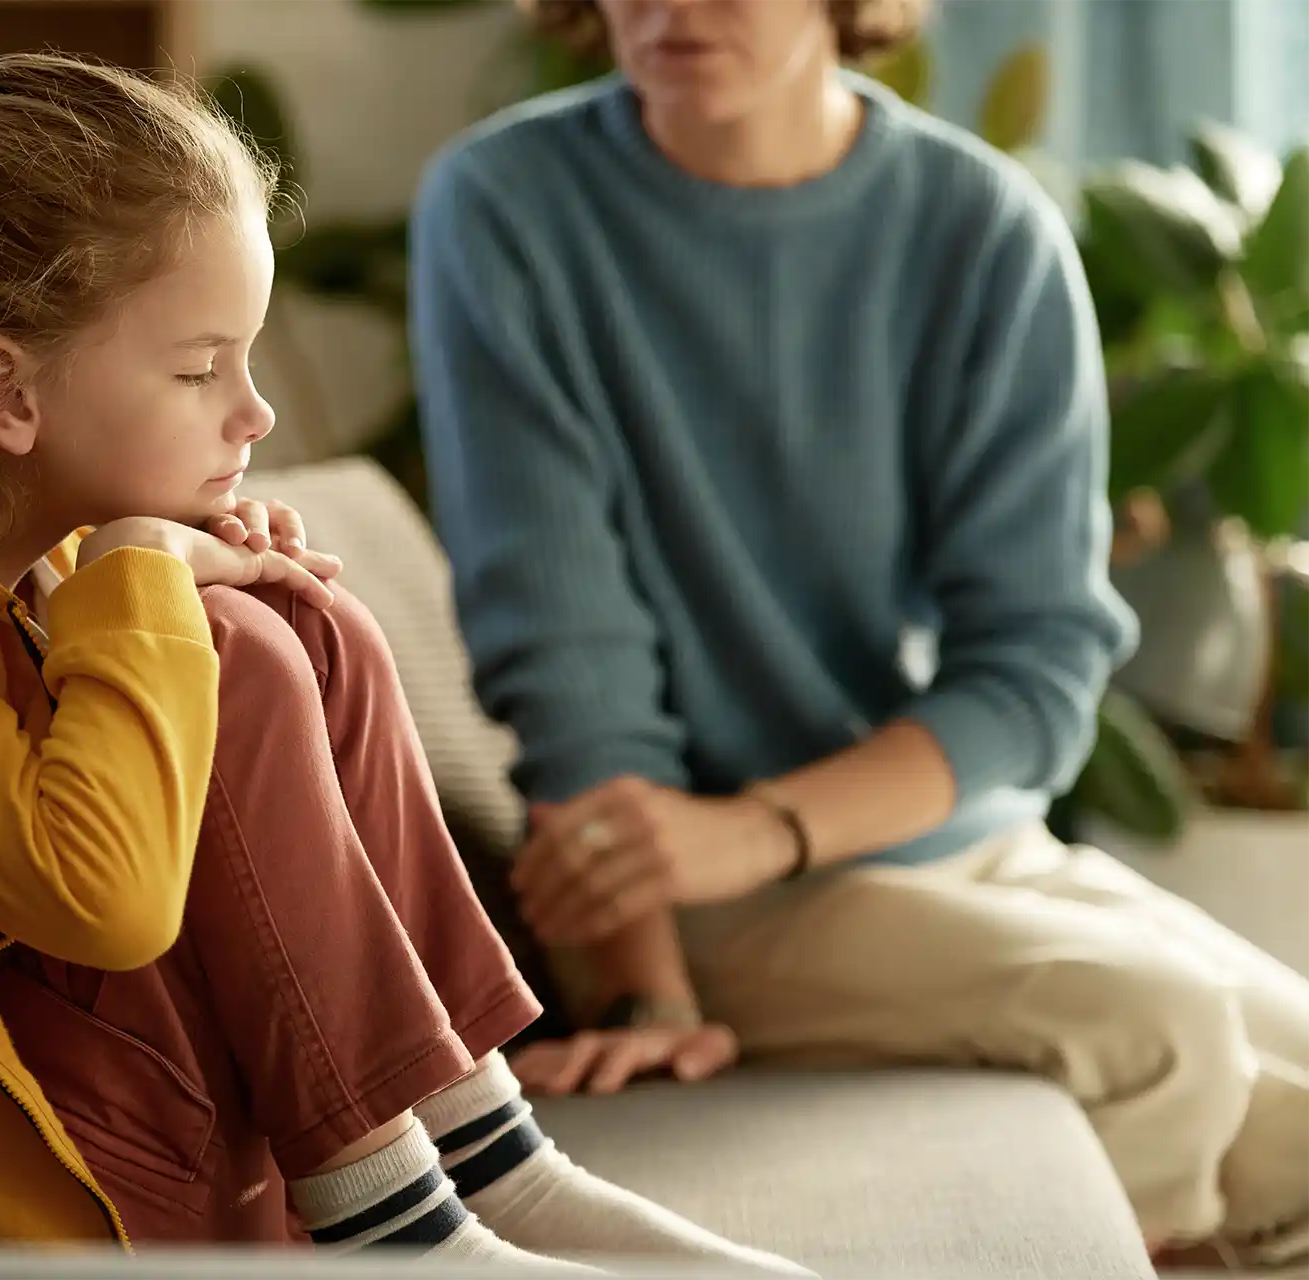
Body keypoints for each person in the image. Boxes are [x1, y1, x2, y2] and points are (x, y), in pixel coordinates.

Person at [0, 10, 810, 1273]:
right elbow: (103, 903)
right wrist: (144, 577)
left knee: (288, 625)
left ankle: (481, 1151)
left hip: (115, 1111)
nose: (256, 408)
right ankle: (394, 1216)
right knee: (224, 646)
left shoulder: (9, 550)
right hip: (14, 1191)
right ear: (4, 393)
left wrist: (164, 579)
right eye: (199, 369)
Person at [412, 0, 1309, 1268]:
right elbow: (569, 658)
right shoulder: (508, 205)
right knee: (1161, 1033)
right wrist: (649, 985)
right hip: (684, 886)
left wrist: (766, 824)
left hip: (938, 838)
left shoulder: (984, 228)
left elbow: (1038, 666)